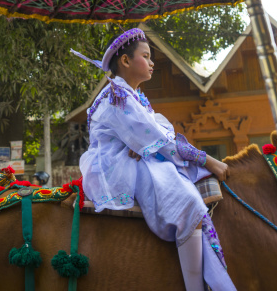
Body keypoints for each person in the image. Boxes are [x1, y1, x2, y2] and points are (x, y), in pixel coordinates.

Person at [71, 28, 236, 291]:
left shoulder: (136, 96)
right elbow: (160, 138)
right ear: (125, 61)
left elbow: (159, 133)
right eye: (146, 56)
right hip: (117, 166)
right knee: (188, 203)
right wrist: (207, 160)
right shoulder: (118, 95)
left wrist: (146, 143)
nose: (151, 63)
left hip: (134, 158)